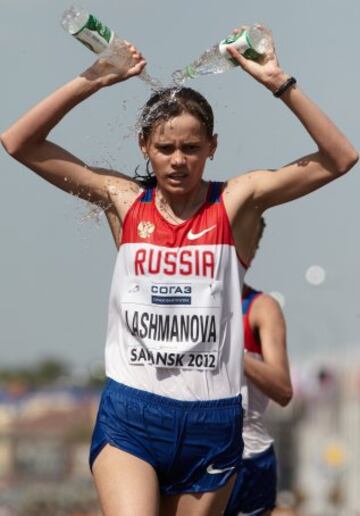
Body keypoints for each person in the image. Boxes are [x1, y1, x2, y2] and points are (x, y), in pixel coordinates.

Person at [1, 23, 357, 516]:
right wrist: (95, 78)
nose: (177, 161)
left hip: (211, 422)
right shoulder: (123, 200)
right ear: (145, 145)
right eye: (165, 148)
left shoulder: (234, 200)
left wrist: (278, 81)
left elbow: (341, 157)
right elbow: (19, 142)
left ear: (212, 146)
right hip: (133, 414)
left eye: (191, 148)